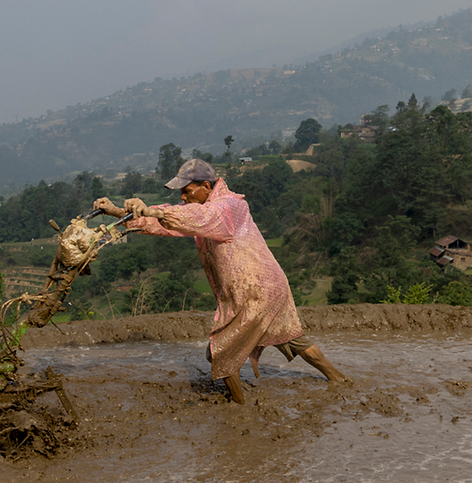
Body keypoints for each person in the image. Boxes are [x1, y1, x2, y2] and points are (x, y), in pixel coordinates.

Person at [92, 158, 346, 403]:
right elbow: (170, 219)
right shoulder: (205, 207)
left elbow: (198, 218)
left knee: (219, 352)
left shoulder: (228, 206)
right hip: (265, 288)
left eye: (187, 191)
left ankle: (238, 406)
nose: (183, 197)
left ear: (206, 186)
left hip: (254, 290)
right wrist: (116, 211)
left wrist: (151, 209)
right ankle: (339, 379)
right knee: (291, 337)